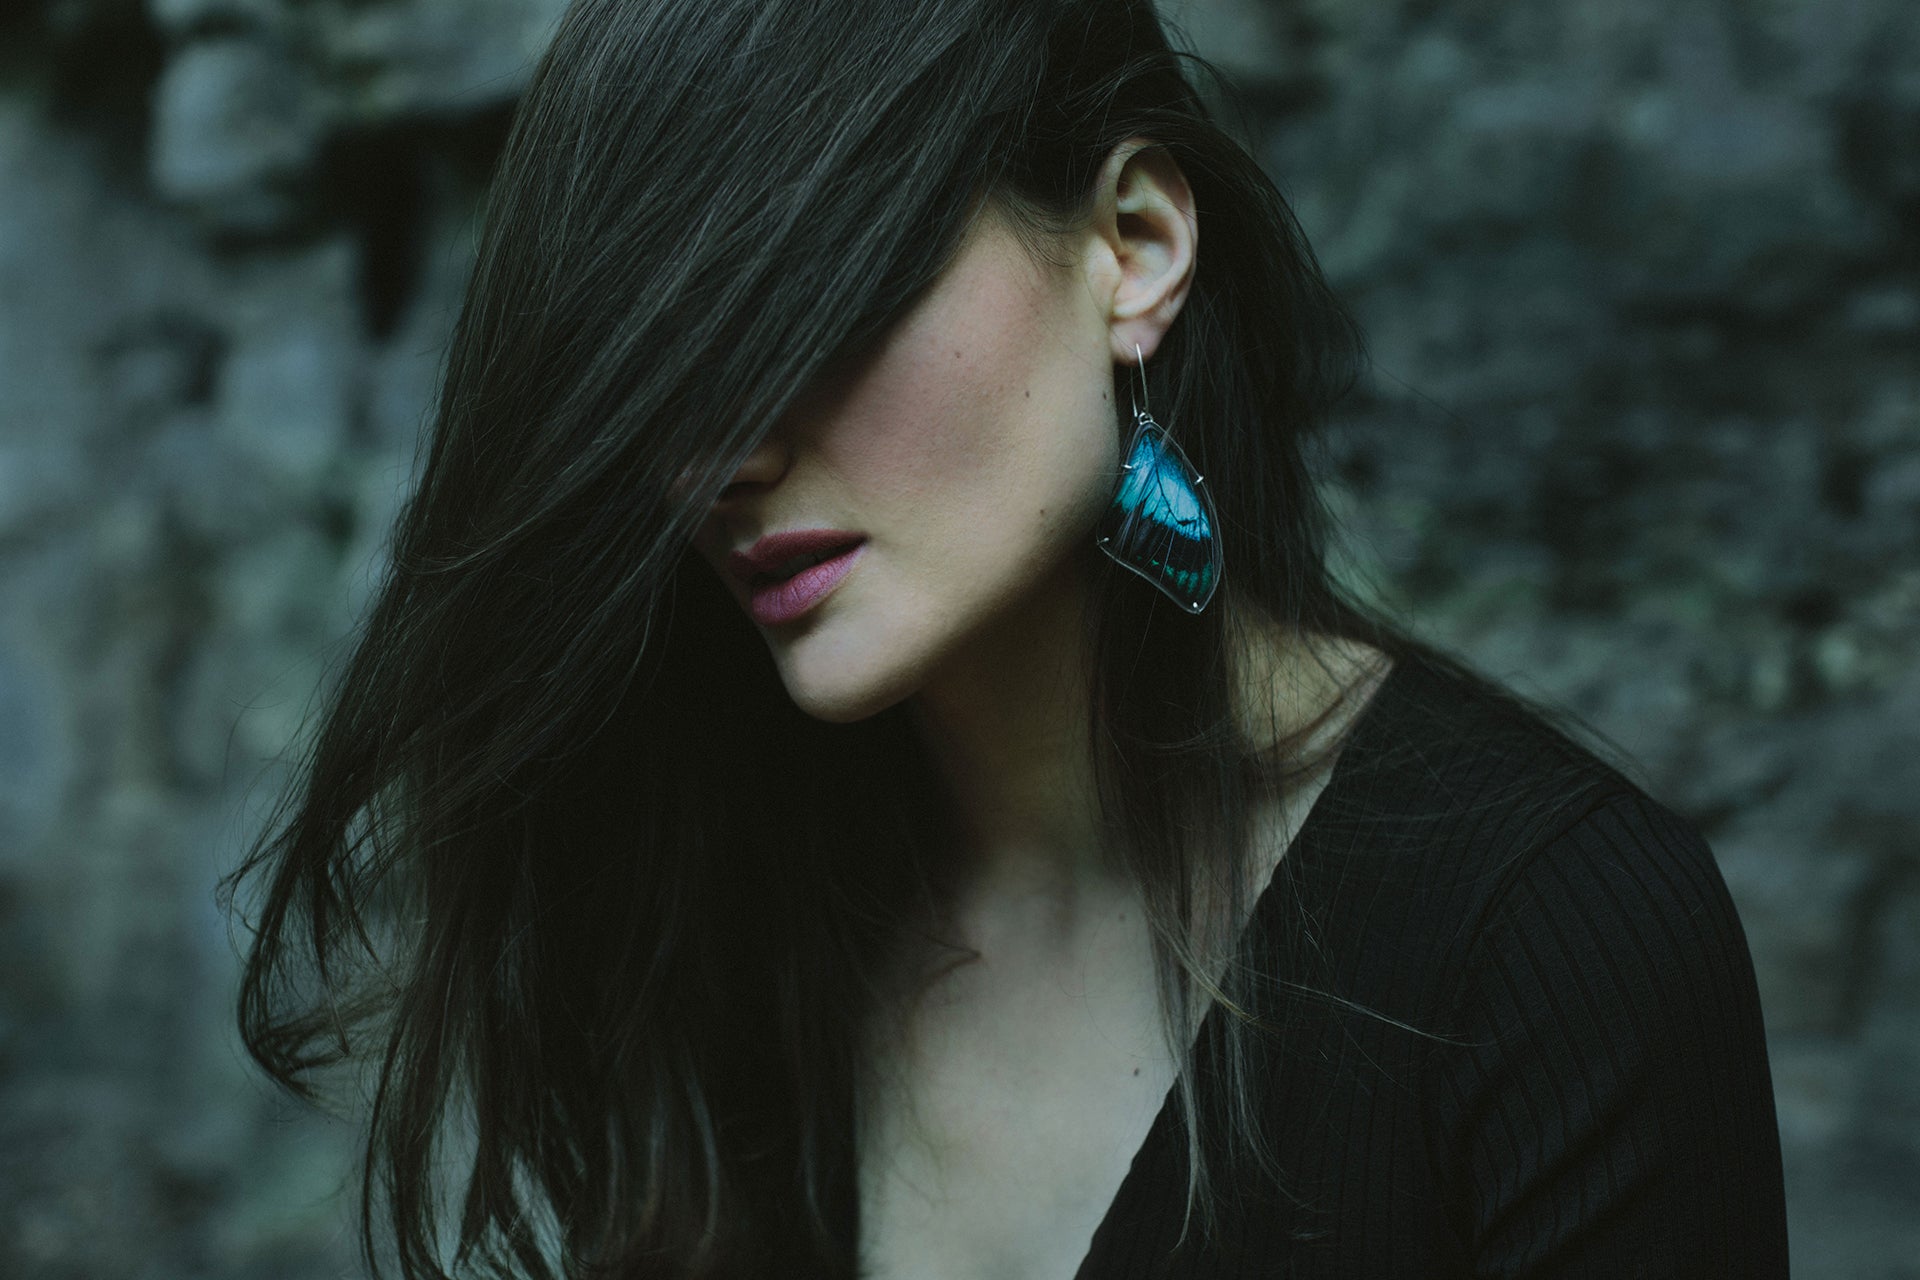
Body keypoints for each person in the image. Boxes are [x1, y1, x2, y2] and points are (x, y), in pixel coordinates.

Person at [224, 0, 1790, 1276]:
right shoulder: (729, 906)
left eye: (802, 299)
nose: (712, 455)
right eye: (663, 368)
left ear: (1134, 244)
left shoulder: (1544, 936)